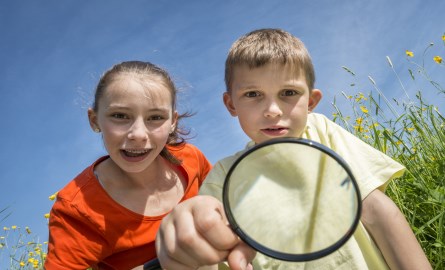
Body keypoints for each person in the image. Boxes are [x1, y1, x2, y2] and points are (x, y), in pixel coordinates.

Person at [155, 29, 432, 269]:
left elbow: (377, 211)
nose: (273, 111)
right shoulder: (224, 176)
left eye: (288, 93)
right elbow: (209, 258)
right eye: (253, 94)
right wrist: (184, 247)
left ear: (311, 101)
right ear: (231, 105)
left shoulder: (322, 132)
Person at [44, 61, 212, 269]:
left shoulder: (191, 158)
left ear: (172, 122)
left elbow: (227, 205)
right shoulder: (76, 210)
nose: (138, 135)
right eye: (120, 116)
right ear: (94, 120)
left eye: (155, 117)